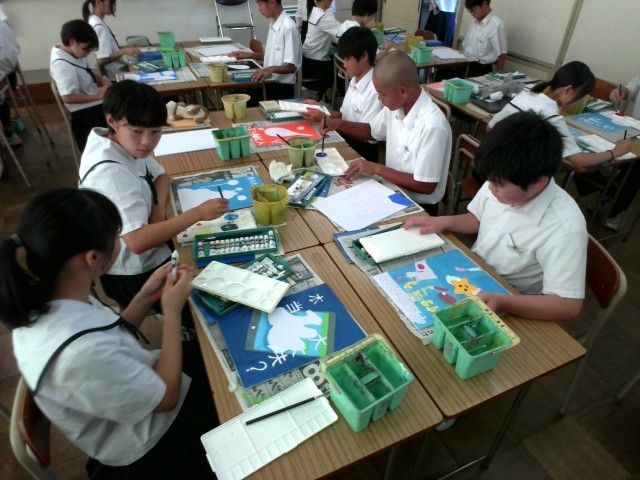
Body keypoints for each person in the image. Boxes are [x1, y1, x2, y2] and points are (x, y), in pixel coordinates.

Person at [0, 188, 218, 479]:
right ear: (92, 258)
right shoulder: (79, 355)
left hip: (141, 391)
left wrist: (144, 296)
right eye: (116, 235)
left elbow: (113, 334)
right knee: (229, 379)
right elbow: (166, 399)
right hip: (152, 445)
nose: (120, 241)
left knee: (216, 352)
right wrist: (172, 312)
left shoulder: (57, 292)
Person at [405, 111, 587, 321]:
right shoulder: (501, 178)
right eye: (489, 180)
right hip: (473, 272)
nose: (490, 188)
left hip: (514, 299)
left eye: (497, 184)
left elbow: (568, 305)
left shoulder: (565, 227)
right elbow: (478, 219)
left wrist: (504, 301)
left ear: (537, 182)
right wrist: (442, 221)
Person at [79, 80, 228, 308]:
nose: (147, 142)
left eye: (156, 131)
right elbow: (137, 242)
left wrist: (157, 215)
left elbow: (161, 176)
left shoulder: (121, 143)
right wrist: (198, 213)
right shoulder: (110, 174)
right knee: (213, 298)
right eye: (137, 131)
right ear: (111, 121)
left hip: (152, 247)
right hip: (135, 274)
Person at [488, 61, 633, 230]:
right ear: (568, 90)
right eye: (581, 97)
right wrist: (615, 152)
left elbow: (490, 128)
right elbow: (579, 162)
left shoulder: (525, 95)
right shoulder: (551, 118)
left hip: (494, 166)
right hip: (516, 180)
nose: (580, 102)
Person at [321, 50, 452, 215]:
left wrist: (377, 169)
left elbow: (425, 185)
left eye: (382, 94)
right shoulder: (396, 106)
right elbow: (371, 131)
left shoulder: (432, 125)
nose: (379, 99)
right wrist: (338, 124)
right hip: (391, 192)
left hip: (418, 207)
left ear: (403, 91)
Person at [302, 26, 383, 161]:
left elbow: (368, 133)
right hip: (346, 140)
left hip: (362, 152)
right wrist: (321, 109)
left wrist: (336, 123)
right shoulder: (355, 80)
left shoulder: (376, 88)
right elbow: (344, 116)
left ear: (364, 56)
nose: (344, 65)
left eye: (347, 59)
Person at [50, 19, 110, 152]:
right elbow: (67, 98)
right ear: (72, 42)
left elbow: (88, 71)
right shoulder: (61, 65)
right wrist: (98, 96)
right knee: (123, 113)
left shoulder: (75, 52)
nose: (87, 53)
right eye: (85, 49)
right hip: (85, 112)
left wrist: (103, 81)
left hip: (95, 100)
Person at [230, 0, 302, 100]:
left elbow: (292, 67)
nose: (259, 9)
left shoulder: (289, 28)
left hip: (281, 89)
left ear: (272, 2)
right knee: (234, 94)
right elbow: (271, 56)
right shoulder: (273, 23)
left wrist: (270, 69)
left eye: (260, 4)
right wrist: (248, 55)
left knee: (240, 100)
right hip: (268, 82)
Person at [604, 74, 640, 230]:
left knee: (635, 168)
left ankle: (617, 209)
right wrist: (622, 91)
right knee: (605, 149)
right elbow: (630, 89)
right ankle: (608, 194)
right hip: (634, 130)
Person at [82, 0, 139, 81]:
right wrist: (124, 51)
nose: (114, 6)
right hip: (117, 77)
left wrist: (125, 48)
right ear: (99, 2)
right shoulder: (98, 26)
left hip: (119, 72)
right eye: (111, 3)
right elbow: (102, 60)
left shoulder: (96, 21)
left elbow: (107, 49)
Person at [302, 0, 341, 100]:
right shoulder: (322, 17)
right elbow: (342, 32)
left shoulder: (314, 11)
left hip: (306, 60)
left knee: (334, 59)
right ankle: (329, 95)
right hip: (314, 65)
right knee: (341, 65)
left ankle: (323, 93)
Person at [461, 0, 507, 76]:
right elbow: (466, 45)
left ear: (484, 4)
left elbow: (502, 55)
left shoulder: (497, 24)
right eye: (470, 11)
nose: (472, 14)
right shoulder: (474, 22)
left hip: (481, 69)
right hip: (466, 64)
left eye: (473, 10)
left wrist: (499, 77)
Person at [0, 19, 22, 147]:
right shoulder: (2, 23)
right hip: (10, 75)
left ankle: (6, 134)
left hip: (5, 78)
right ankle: (8, 133)